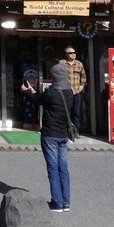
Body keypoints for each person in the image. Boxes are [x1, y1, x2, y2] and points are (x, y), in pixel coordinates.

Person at [23, 63, 72, 212]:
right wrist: (33, 92)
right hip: (63, 135)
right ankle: (66, 202)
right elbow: (40, 97)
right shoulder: (69, 92)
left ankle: (56, 202)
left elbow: (37, 100)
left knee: (52, 168)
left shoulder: (51, 93)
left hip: (50, 134)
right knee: (63, 168)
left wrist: (26, 92)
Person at [59, 45, 86, 131]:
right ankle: (64, 129)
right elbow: (57, 75)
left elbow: (83, 76)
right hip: (65, 92)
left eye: (74, 53)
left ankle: (75, 130)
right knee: (64, 111)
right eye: (71, 53)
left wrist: (82, 85)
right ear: (66, 54)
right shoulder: (61, 63)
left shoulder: (79, 64)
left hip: (76, 91)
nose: (73, 54)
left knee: (76, 112)